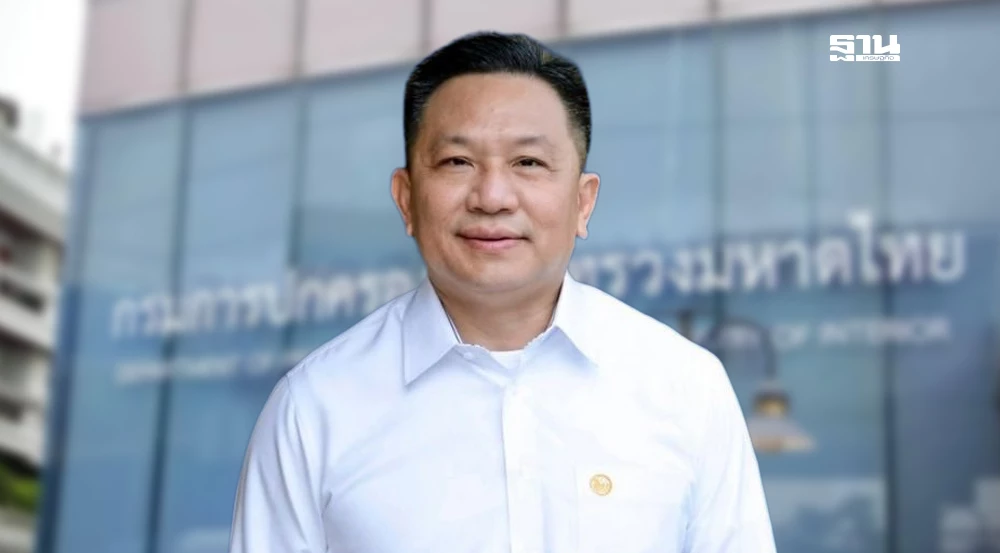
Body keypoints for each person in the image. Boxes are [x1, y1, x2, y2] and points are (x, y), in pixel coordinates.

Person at [228, 31, 776, 553]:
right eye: (457, 162)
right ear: (406, 198)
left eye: (528, 163)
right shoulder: (315, 407)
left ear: (583, 202)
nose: (492, 197)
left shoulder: (686, 387)